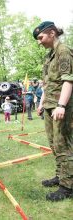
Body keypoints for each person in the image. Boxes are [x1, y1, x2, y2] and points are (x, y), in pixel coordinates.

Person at [33, 21, 73, 201]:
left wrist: (62, 105)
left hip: (60, 107)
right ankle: (60, 176)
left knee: (63, 145)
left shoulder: (63, 51)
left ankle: (68, 186)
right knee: (54, 144)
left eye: (40, 37)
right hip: (49, 105)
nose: (38, 42)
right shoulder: (49, 55)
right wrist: (41, 103)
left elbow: (68, 80)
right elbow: (47, 84)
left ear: (51, 33)